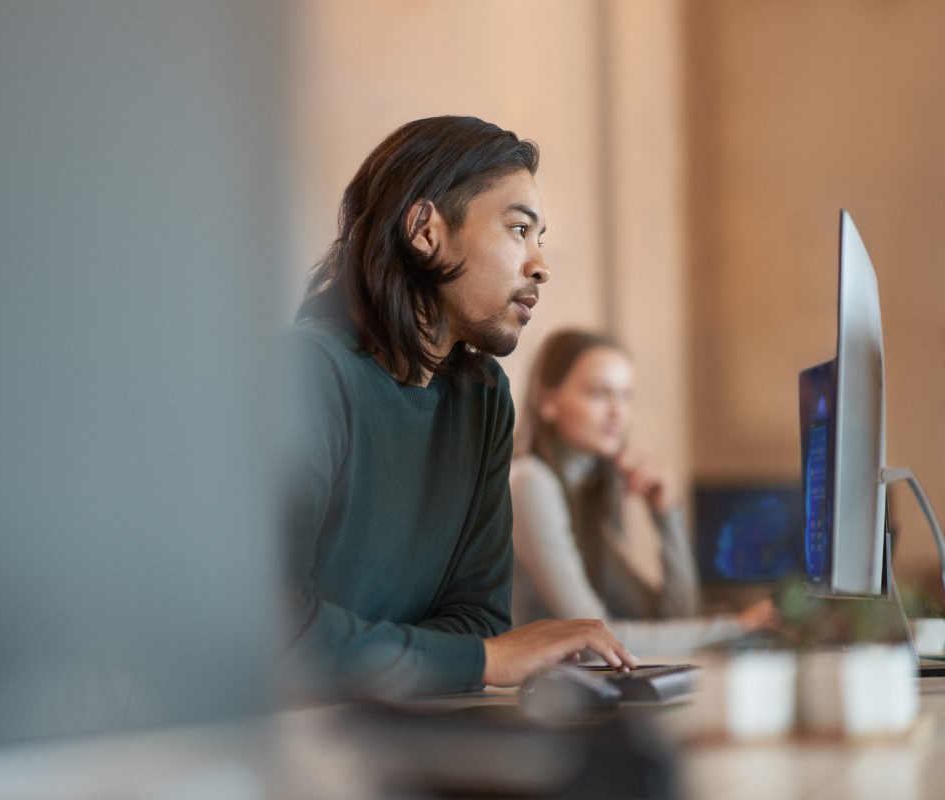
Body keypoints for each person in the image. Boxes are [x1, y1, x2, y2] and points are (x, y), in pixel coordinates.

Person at [281, 116, 637, 698]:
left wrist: (456, 657)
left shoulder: (483, 399)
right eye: (519, 229)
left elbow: (478, 621)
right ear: (425, 229)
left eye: (540, 238)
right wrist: (477, 661)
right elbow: (273, 627)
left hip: (404, 731)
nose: (540, 265)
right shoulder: (306, 373)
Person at [509, 328, 775, 655]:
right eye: (598, 394)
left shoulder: (579, 497)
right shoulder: (530, 483)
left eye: (625, 395)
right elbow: (595, 641)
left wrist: (668, 516)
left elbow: (673, 619)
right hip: (519, 698)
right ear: (548, 402)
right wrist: (737, 626)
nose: (618, 412)